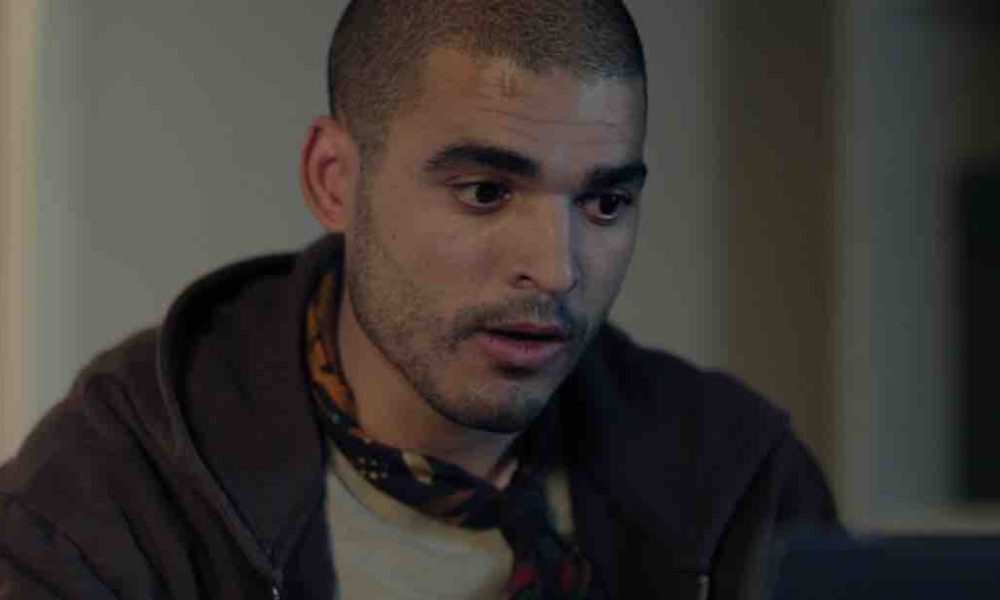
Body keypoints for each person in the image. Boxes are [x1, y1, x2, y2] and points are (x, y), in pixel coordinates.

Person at [0, 1, 840, 598]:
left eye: (605, 202)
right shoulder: (120, 491)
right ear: (334, 181)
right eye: (484, 192)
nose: (556, 270)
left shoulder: (740, 486)